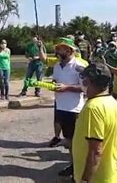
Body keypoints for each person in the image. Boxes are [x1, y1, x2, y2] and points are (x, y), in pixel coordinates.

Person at [40, 37, 87, 177]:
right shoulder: (57, 66)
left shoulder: (79, 66)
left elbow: (85, 87)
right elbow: (56, 81)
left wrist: (67, 87)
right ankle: (73, 166)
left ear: (69, 50)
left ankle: (80, 169)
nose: (56, 51)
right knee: (69, 142)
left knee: (77, 142)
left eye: (59, 49)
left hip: (75, 110)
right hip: (61, 108)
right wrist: (52, 85)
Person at [73, 63, 117, 183]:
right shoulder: (113, 102)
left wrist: (85, 180)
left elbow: (96, 151)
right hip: (111, 174)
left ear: (88, 81)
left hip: (97, 178)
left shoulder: (93, 108)